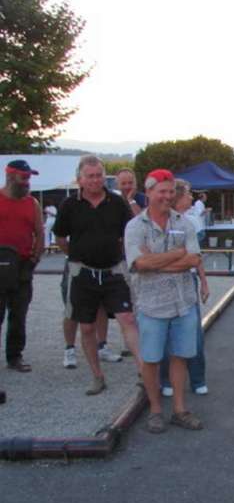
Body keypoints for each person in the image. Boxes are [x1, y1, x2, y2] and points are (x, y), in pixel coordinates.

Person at [53, 155, 144, 395]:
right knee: (87, 327)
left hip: (114, 270)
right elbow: (60, 238)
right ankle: (97, 376)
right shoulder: (69, 206)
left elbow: (131, 232)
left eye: (99, 175)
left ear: (104, 176)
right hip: (83, 273)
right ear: (80, 179)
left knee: (127, 319)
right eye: (90, 176)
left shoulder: (116, 203)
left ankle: (144, 372)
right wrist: (77, 255)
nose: (95, 180)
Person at [125, 169, 204, 433]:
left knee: (181, 357)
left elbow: (194, 259)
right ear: (148, 193)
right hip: (151, 304)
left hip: (184, 302)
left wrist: (154, 263)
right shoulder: (135, 227)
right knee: (151, 359)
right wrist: (177, 255)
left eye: (171, 191)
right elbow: (138, 263)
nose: (167, 196)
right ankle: (156, 410)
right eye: (162, 191)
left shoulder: (185, 223)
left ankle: (180, 410)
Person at [159, 179, 210, 396]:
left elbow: (195, 258)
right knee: (164, 331)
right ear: (177, 197)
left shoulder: (192, 222)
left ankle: (197, 379)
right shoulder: (159, 221)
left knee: (193, 331)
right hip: (162, 281)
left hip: (187, 280)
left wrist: (204, 281)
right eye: (188, 194)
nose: (191, 198)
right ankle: (166, 380)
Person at [0, 159, 44, 373]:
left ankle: (14, 356)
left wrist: (34, 259)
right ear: (10, 176)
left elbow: (40, 233)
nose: (27, 182)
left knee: (18, 315)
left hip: (22, 266)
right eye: (23, 177)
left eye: (29, 178)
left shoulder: (32, 203)